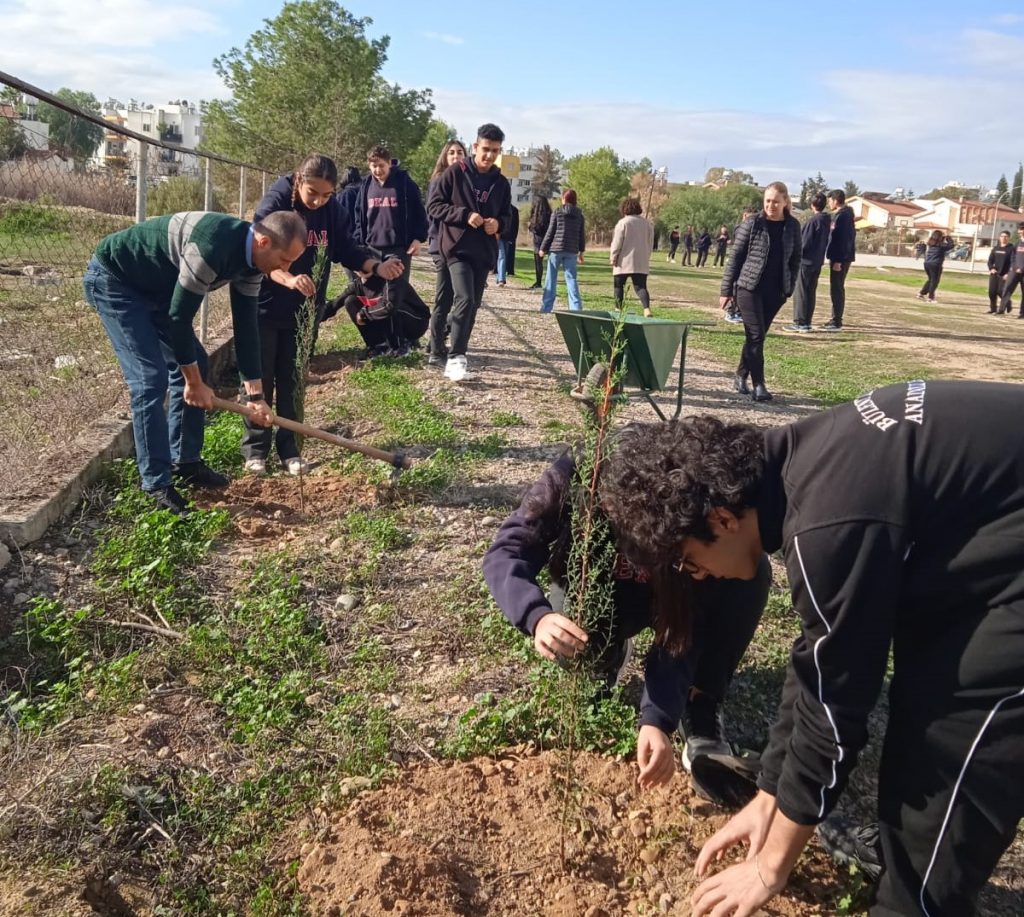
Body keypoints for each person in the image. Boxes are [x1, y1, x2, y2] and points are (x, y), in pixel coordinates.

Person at [598, 381, 1024, 917]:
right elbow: (819, 663)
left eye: (688, 562)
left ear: (722, 521)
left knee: (944, 765)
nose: (699, 577)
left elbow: (836, 713)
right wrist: (769, 796)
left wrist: (770, 865)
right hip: (994, 541)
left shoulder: (827, 523)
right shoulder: (804, 463)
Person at [483, 450, 770, 794]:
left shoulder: (682, 507)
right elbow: (507, 551)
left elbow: (681, 626)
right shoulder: (574, 477)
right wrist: (537, 617)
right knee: (569, 641)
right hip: (600, 593)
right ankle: (607, 653)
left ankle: (699, 701)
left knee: (746, 570)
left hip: (665, 597)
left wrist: (657, 718)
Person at [82, 211, 307, 514]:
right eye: (284, 260)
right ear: (263, 241)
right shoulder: (211, 246)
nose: (287, 269)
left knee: (196, 363)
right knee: (150, 379)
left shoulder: (255, 262)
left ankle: (185, 462)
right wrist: (193, 384)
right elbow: (179, 318)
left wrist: (256, 398)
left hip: (158, 290)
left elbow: (246, 328)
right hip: (116, 281)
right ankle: (156, 484)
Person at [240, 154, 398, 477]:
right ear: (299, 180)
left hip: (304, 311)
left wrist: (375, 266)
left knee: (294, 378)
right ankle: (255, 450)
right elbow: (259, 254)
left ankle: (290, 449)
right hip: (266, 304)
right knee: (262, 378)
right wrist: (289, 278)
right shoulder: (276, 202)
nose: (318, 201)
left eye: (327, 195)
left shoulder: (331, 212)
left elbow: (346, 250)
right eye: (313, 192)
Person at [427, 122, 512, 382]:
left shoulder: (501, 183)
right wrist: (465, 215)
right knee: (462, 297)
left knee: (472, 304)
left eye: (495, 151)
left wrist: (498, 224)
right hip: (456, 249)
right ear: (475, 147)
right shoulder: (455, 173)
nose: (489, 155)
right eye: (485, 149)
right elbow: (434, 206)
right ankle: (456, 357)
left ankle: (456, 347)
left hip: (483, 252)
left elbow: (509, 217)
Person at [719, 182, 801, 403]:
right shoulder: (753, 224)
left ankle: (740, 374)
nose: (770, 205)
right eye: (767, 201)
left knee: (757, 336)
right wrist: (726, 290)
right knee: (755, 335)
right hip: (748, 288)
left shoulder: (792, 226)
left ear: (785, 202)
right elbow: (735, 258)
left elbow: (795, 259)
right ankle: (759, 385)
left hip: (775, 292)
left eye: (775, 201)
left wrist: (789, 287)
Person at [353, 145, 428, 301]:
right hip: (372, 248)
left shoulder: (404, 183)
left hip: (398, 248)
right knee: (373, 295)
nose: (378, 170)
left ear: (389, 164)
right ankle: (374, 325)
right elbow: (359, 217)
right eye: (374, 166)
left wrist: (418, 238)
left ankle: (397, 325)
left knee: (395, 297)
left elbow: (419, 213)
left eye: (381, 165)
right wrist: (360, 246)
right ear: (369, 165)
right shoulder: (365, 186)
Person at [324, 257, 430, 358]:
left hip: (416, 322)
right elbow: (334, 305)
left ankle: (401, 346)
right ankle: (378, 345)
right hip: (388, 321)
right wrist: (312, 319)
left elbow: (390, 306)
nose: (363, 268)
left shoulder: (389, 279)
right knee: (350, 301)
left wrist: (363, 313)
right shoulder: (357, 285)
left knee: (390, 306)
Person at [426, 139, 467, 366]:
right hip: (441, 245)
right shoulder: (440, 180)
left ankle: (436, 335)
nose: (455, 156)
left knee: (464, 298)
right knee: (444, 298)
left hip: (460, 248)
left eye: (459, 152)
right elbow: (433, 213)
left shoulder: (467, 180)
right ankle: (436, 349)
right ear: (445, 156)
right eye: (451, 152)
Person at [784, 192, 831, 333]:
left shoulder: (813, 221)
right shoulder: (826, 220)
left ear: (812, 205)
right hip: (817, 261)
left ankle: (800, 322)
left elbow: (804, 243)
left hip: (806, 262)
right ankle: (807, 321)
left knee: (802, 292)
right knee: (810, 292)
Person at [540, 189, 586, 313]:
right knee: (571, 279)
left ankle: (546, 307)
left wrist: (543, 248)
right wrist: (581, 252)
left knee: (551, 279)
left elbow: (551, 232)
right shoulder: (580, 215)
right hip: (571, 251)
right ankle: (576, 308)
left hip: (556, 249)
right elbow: (581, 235)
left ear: (564, 199)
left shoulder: (557, 212)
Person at [610, 198, 654, 316]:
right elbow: (650, 243)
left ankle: (618, 310)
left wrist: (613, 256)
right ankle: (646, 309)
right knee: (641, 287)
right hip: (640, 261)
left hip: (623, 261)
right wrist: (647, 256)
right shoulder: (647, 224)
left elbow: (617, 242)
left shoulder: (623, 223)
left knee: (619, 286)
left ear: (624, 209)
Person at [823, 188, 856, 331]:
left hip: (840, 258)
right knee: (835, 287)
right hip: (838, 257)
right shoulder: (841, 215)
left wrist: (838, 261)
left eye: (830, 200)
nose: (829, 203)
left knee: (837, 288)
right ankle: (834, 318)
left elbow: (843, 240)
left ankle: (836, 320)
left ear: (835, 200)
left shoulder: (843, 216)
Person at [916, 230, 955, 303]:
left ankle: (921, 293)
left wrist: (944, 238)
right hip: (935, 264)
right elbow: (951, 245)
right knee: (934, 281)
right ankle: (930, 298)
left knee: (931, 280)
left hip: (927, 263)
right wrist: (948, 238)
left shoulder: (930, 244)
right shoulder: (941, 245)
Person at [997, 221, 1024, 318]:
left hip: (1023, 271)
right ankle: (1001, 309)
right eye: (1020, 229)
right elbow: (1013, 256)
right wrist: (1015, 267)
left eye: (1022, 229)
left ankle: (1022, 313)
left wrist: (1022, 268)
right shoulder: (1017, 243)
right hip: (1015, 271)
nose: (1020, 231)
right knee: (1007, 289)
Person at [987, 230, 1014, 314]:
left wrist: (1008, 273)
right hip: (994, 273)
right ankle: (993, 309)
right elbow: (990, 260)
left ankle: (1008, 303)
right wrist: (991, 268)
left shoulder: (1011, 248)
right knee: (992, 292)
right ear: (999, 237)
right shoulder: (996, 248)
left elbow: (1013, 262)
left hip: (1005, 274)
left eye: (1006, 236)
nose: (1003, 238)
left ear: (1008, 238)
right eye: (1002, 236)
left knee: (1000, 291)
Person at [496, 204, 520, 286]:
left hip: (507, 236)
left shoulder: (514, 210)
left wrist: (513, 238)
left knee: (502, 256)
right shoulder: (499, 208)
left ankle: (499, 277)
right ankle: (501, 279)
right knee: (502, 256)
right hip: (499, 235)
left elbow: (516, 226)